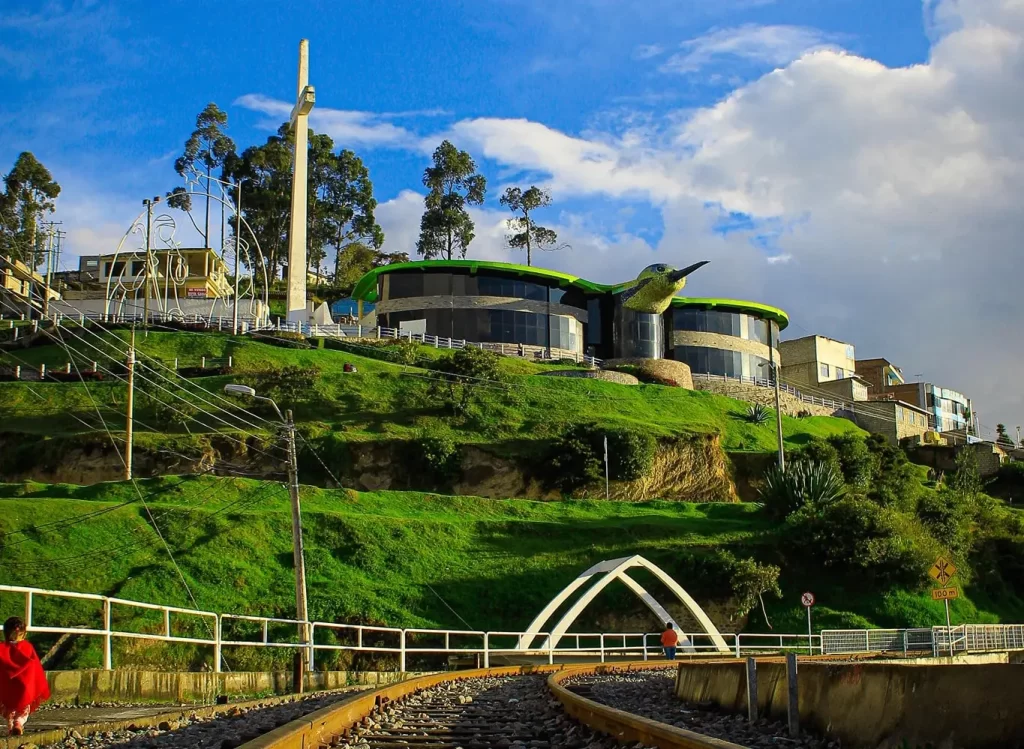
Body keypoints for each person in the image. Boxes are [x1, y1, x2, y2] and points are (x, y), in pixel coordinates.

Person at [0, 617, 50, 737]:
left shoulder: (2, 649)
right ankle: (19, 722)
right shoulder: (27, 647)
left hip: (6, 686)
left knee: (8, 708)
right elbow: (35, 667)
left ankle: (11, 725)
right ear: (24, 633)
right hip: (25, 685)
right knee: (23, 708)